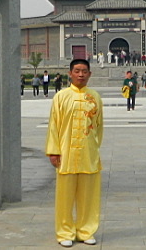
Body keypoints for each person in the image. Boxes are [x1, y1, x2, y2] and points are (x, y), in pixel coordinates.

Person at [45, 59, 103, 247]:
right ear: (70, 73)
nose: (80, 74)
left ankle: (86, 230)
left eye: (84, 71)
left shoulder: (95, 97)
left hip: (88, 153)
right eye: (77, 71)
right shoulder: (61, 97)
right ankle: (65, 232)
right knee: (64, 196)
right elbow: (54, 125)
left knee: (88, 196)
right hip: (66, 153)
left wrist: (94, 148)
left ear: (89, 74)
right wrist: (53, 151)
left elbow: (98, 127)